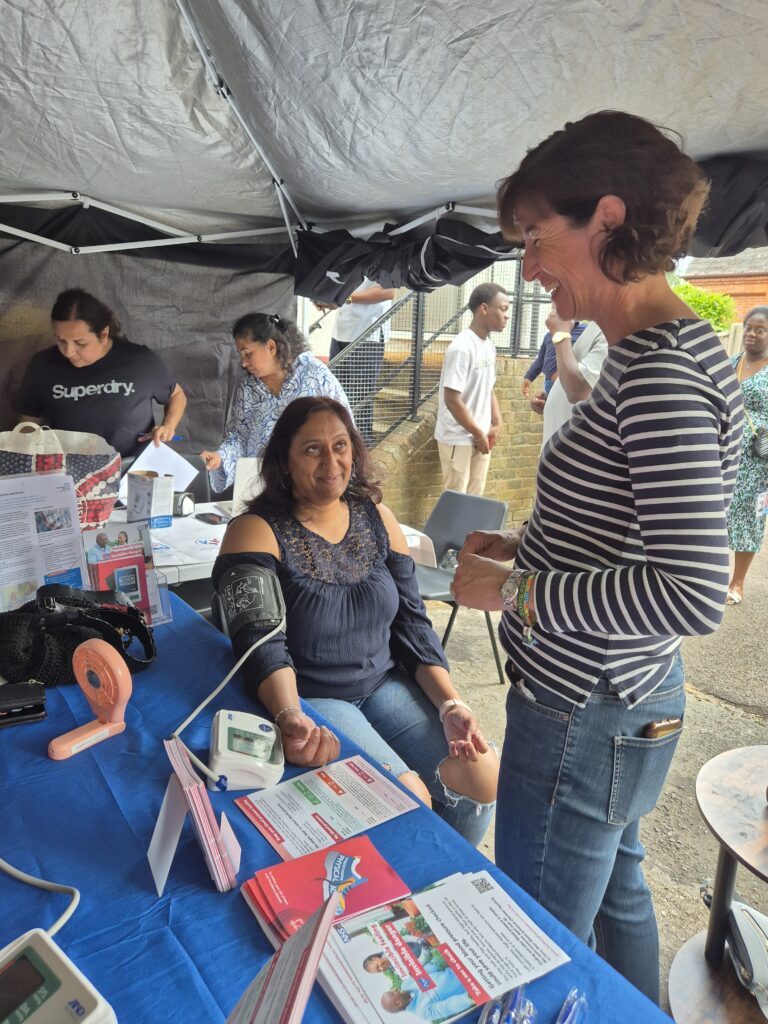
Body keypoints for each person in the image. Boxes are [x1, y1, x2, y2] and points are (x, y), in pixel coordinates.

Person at [451, 111, 743, 1003]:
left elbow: (691, 592)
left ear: (607, 218)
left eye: (536, 239)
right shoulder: (657, 351)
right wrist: (524, 543)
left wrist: (520, 592)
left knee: (534, 948)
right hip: (618, 699)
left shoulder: (656, 369)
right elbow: (627, 526)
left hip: (584, 706)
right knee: (619, 901)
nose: (528, 268)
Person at [212, 396, 498, 846]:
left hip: (385, 685)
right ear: (284, 460)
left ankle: (444, 871)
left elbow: (413, 624)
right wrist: (289, 715)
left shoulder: (378, 518)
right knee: (407, 798)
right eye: (312, 449)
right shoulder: (254, 529)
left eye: (340, 445)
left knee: (482, 776)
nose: (331, 462)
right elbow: (260, 641)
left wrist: (450, 704)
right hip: (314, 697)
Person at [17, 288, 186, 458]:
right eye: (61, 341)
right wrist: (23, 453)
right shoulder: (43, 365)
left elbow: (176, 395)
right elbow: (30, 420)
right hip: (68, 468)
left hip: (131, 466)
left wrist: (168, 426)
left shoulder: (141, 361)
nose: (68, 352)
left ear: (103, 335)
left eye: (80, 343)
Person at [200, 313, 351, 493]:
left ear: (271, 347)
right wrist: (221, 457)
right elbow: (238, 437)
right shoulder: (248, 387)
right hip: (262, 488)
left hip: (312, 485)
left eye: (248, 353)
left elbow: (345, 430)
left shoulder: (314, 375)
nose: (243, 363)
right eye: (240, 354)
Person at [433, 283, 509, 496]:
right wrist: (477, 433)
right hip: (458, 437)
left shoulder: (488, 346)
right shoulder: (461, 348)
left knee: (475, 499)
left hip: (480, 436)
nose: (507, 315)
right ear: (484, 308)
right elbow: (451, 399)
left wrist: (497, 423)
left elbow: (489, 388)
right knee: (456, 499)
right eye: (503, 309)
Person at [321, 278, 396, 446]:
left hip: (367, 333)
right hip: (341, 331)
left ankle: (362, 449)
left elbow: (388, 291)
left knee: (360, 400)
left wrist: (344, 298)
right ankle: (341, 445)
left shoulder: (384, 261)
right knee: (335, 395)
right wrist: (330, 299)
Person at [726, 306, 768, 604]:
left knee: (749, 517)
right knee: (716, 514)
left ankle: (737, 582)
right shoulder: (732, 362)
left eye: (761, 330)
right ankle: (712, 573)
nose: (752, 334)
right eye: (749, 328)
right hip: (725, 453)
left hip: (758, 460)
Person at [530, 310, 608, 446]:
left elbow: (578, 392)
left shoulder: (610, 330)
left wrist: (561, 334)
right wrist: (551, 401)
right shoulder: (596, 326)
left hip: (575, 452)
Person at [380, 961, 474, 1019]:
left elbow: (428, 968)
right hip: (471, 981)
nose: (395, 989)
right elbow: (448, 1006)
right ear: (398, 1003)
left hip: (459, 964)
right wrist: (468, 998)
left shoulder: (406, 984)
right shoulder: (423, 1011)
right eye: (393, 993)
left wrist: (439, 958)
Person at [522, 317, 586, 399]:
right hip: (549, 384)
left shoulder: (584, 331)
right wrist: (528, 377)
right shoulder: (549, 335)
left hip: (569, 384)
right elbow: (540, 360)